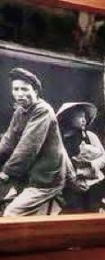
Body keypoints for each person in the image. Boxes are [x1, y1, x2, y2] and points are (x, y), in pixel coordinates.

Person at [0, 67, 67, 216]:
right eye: (16, 89)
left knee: (11, 214)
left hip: (46, 176)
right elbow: (8, 141)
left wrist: (6, 173)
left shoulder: (42, 110)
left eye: (24, 89)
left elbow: (28, 147)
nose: (19, 94)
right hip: (28, 174)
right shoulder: (20, 111)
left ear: (35, 91)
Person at [58, 102, 105, 212]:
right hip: (71, 189)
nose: (83, 120)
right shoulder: (60, 141)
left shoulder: (90, 136)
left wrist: (92, 165)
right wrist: (72, 182)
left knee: (93, 213)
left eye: (85, 117)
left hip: (94, 185)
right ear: (69, 118)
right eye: (79, 117)